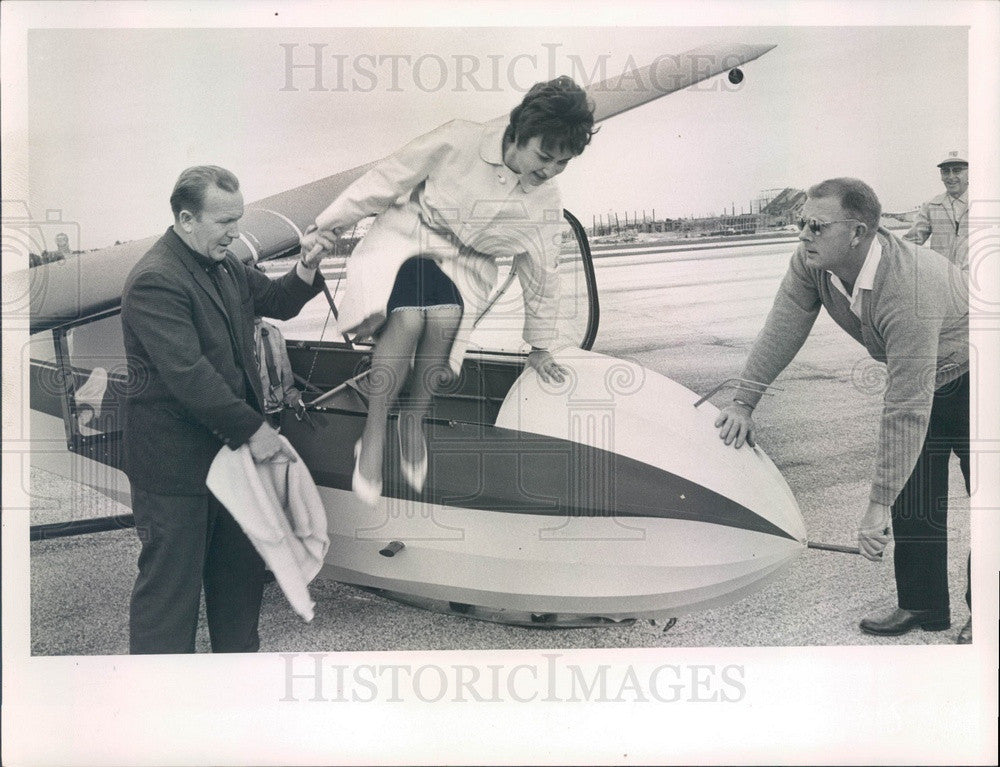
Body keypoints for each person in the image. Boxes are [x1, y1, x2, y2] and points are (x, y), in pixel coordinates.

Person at [301, 77, 597, 505]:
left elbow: (541, 270)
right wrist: (324, 226)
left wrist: (540, 345)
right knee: (410, 314)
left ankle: (412, 422)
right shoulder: (460, 140)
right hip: (410, 238)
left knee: (441, 317)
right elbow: (385, 180)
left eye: (563, 163)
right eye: (545, 156)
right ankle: (375, 430)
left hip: (469, 266)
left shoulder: (545, 199)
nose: (550, 171)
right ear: (518, 134)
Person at [714, 178, 972, 644]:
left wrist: (874, 508)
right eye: (801, 223)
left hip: (979, 376)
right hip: (929, 376)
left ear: (857, 232)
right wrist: (743, 401)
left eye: (816, 225)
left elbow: (905, 407)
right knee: (914, 493)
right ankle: (923, 604)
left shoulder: (908, 287)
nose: (803, 235)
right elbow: (784, 323)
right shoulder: (812, 261)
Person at [120, 165, 331, 653]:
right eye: (224, 222)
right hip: (176, 469)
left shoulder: (228, 263)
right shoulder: (155, 280)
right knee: (170, 598)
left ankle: (237, 687)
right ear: (187, 219)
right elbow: (189, 375)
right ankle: (157, 708)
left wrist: (307, 265)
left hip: (233, 460)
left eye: (238, 219)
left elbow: (278, 300)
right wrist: (256, 431)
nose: (236, 231)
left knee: (239, 584)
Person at [903, 151, 969, 271]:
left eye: (957, 170)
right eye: (945, 172)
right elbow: (909, 244)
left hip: (978, 280)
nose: (950, 177)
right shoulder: (931, 206)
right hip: (942, 279)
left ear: (970, 173)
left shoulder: (984, 204)